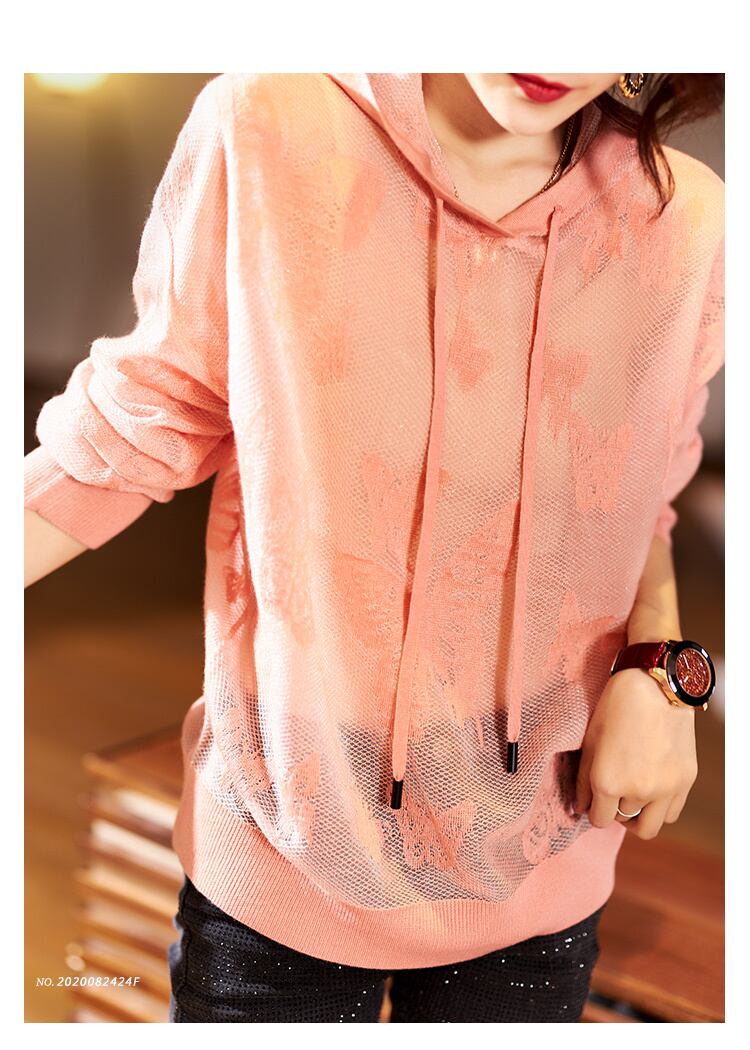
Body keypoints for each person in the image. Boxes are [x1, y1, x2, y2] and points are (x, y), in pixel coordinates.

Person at [24, 72, 724, 1023]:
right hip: (283, 850)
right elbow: (145, 419)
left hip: (542, 857)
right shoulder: (272, 125)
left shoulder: (683, 221)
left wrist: (665, 672)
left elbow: (635, 494)